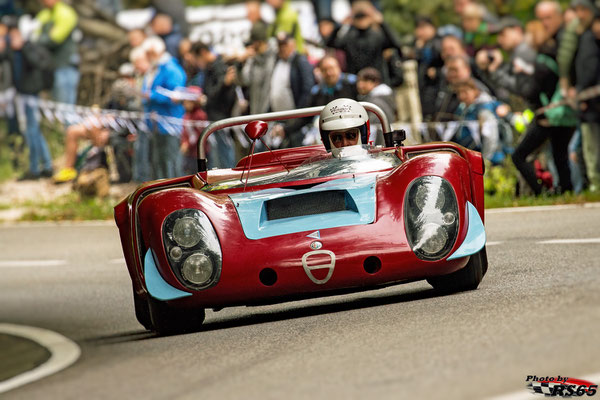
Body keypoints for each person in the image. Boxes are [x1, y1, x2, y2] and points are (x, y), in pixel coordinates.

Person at [477, 17, 574, 195]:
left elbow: (526, 89)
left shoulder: (527, 55)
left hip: (548, 112)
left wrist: (496, 70)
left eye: (503, 34)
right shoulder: (534, 54)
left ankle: (543, 192)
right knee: (559, 154)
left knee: (521, 156)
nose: (500, 40)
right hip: (554, 111)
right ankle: (563, 189)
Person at [4, 25, 54, 180]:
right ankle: (45, 166)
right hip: (20, 95)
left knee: (32, 130)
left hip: (32, 94)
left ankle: (38, 168)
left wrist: (23, 47)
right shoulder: (11, 50)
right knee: (32, 130)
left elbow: (37, 63)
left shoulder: (30, 47)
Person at [141, 36, 186, 179]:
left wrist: (152, 96)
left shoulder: (172, 70)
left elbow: (175, 96)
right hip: (156, 122)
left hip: (170, 121)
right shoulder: (155, 69)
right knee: (158, 160)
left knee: (170, 159)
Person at [324, 1, 403, 81]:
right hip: (356, 82)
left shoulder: (377, 35)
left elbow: (396, 44)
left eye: (364, 16)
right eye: (358, 16)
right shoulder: (349, 37)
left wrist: (382, 23)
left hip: (376, 82)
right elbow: (329, 44)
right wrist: (341, 25)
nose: (361, 20)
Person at [191, 41, 237, 169]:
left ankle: (231, 182)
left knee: (225, 153)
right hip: (212, 116)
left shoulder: (220, 67)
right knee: (218, 154)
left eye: (197, 59)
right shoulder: (208, 69)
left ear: (203, 53)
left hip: (222, 117)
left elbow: (221, 94)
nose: (197, 63)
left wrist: (208, 98)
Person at [572, 0, 600, 192]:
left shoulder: (589, 38)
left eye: (583, 10)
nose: (579, 15)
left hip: (592, 102)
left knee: (592, 148)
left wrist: (581, 92)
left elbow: (588, 69)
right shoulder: (585, 36)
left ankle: (595, 183)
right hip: (591, 102)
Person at [35, 0, 79, 105]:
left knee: (66, 106)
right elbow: (34, 33)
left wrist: (38, 38)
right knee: (57, 105)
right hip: (53, 65)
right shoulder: (44, 14)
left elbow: (54, 39)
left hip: (66, 65)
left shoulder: (65, 12)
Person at [356, 67, 396, 145]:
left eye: (364, 81)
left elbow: (373, 126)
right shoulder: (377, 97)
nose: (360, 85)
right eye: (359, 81)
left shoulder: (375, 102)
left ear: (374, 82)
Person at [180, 86, 208, 175]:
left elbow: (198, 135)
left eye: (187, 101)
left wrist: (187, 144)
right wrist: (184, 142)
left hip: (198, 154)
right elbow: (184, 132)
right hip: (189, 153)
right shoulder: (186, 115)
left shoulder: (200, 116)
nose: (184, 103)